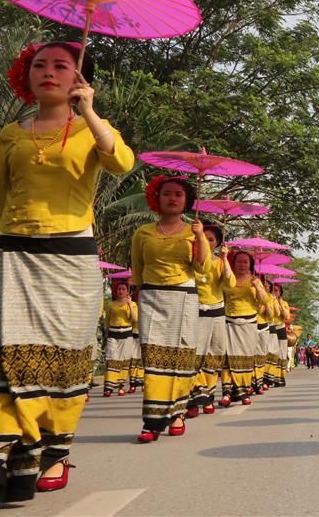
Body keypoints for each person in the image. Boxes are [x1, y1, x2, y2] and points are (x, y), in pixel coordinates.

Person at [0, 42, 134, 506]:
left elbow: (121, 161)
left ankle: (50, 457)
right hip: (13, 255)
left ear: (79, 78)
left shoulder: (93, 129)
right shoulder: (11, 134)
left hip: (71, 260)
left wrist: (89, 111)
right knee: (1, 354)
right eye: (39, 65)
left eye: (61, 66)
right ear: (27, 75)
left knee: (61, 361)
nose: (48, 72)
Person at [131, 176, 211, 442]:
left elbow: (203, 267)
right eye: (167, 193)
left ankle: (177, 413)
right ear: (157, 198)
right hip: (151, 297)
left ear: (187, 201)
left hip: (183, 297)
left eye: (178, 194)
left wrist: (200, 236)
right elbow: (137, 269)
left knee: (180, 358)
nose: (172, 198)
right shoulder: (142, 232)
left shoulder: (193, 231)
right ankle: (152, 421)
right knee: (153, 359)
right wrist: (138, 297)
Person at [187, 224, 233, 417]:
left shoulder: (219, 262)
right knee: (195, 355)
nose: (206, 241)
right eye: (203, 237)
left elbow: (230, 283)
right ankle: (193, 398)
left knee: (215, 354)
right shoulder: (188, 259)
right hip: (195, 310)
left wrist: (225, 259)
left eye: (211, 239)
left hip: (217, 312)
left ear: (218, 243)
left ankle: (208, 397)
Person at [219, 251, 265, 406]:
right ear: (234, 263)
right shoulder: (227, 278)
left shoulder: (254, 280)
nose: (242, 264)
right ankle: (227, 393)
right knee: (228, 358)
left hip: (249, 323)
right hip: (229, 321)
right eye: (239, 261)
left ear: (250, 264)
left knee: (245, 358)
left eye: (246, 262)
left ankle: (244, 391)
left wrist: (258, 287)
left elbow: (263, 300)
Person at [103, 281, 138, 396]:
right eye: (119, 289)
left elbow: (134, 319)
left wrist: (129, 304)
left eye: (123, 289)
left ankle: (121, 386)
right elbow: (107, 320)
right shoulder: (111, 305)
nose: (121, 291)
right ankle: (108, 387)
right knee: (112, 359)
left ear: (127, 291)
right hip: (113, 334)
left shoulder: (132, 304)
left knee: (124, 360)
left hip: (126, 334)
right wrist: (106, 333)